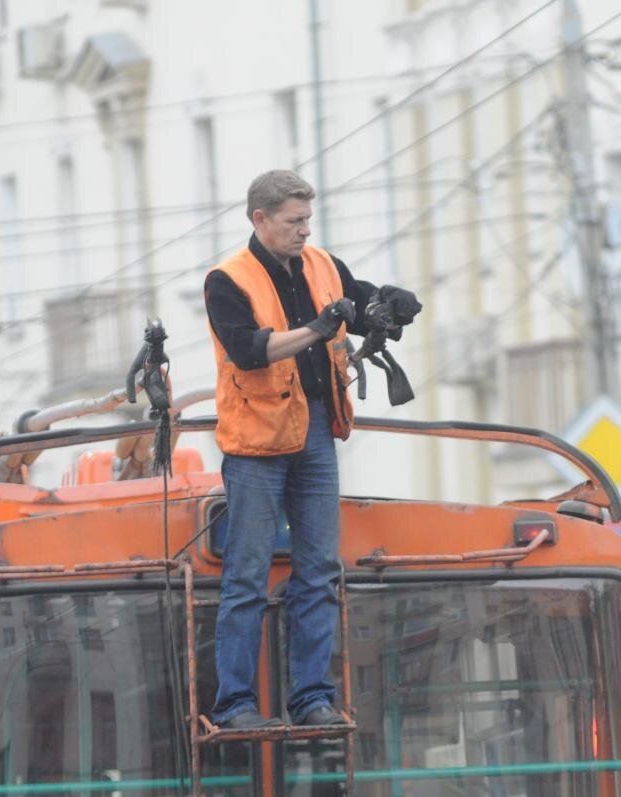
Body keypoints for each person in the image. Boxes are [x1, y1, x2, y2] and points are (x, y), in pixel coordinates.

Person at [204, 169, 420, 729]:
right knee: (247, 574)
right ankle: (235, 705)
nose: (305, 230)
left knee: (321, 567)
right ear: (260, 219)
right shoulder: (227, 280)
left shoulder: (322, 263)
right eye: (294, 221)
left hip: (315, 432)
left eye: (308, 219)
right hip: (256, 446)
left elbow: (358, 297)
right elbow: (251, 351)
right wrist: (319, 329)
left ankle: (311, 697)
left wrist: (389, 303)